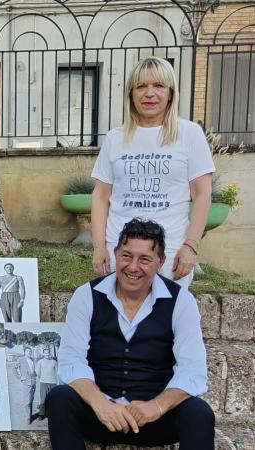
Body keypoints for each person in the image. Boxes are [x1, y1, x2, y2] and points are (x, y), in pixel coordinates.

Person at [47, 218, 213, 450]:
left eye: (144, 259)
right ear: (115, 253)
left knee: (199, 413)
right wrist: (100, 404)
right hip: (101, 416)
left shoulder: (181, 302)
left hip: (155, 419)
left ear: (160, 262)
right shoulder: (86, 296)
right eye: (126, 256)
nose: (133, 267)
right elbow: (71, 361)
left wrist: (156, 407)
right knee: (59, 399)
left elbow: (192, 371)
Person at [91, 56, 214, 290]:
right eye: (141, 86)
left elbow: (202, 194)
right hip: (120, 252)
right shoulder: (115, 138)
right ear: (130, 94)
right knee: (117, 322)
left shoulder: (190, 134)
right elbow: (100, 196)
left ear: (170, 93)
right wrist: (99, 247)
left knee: (163, 323)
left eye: (158, 85)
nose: (149, 93)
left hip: (169, 255)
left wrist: (191, 246)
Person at [32, 347, 58, 422]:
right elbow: (38, 373)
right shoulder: (40, 362)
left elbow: (57, 372)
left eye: (48, 353)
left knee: (52, 399)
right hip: (43, 382)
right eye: (45, 353)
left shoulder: (54, 362)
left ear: (50, 353)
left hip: (53, 383)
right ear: (43, 353)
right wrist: (44, 378)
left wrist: (57, 382)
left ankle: (52, 414)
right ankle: (41, 414)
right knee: (43, 399)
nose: (47, 354)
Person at [16, 346, 37, 422]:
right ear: (24, 352)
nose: (29, 353)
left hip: (33, 382)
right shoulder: (21, 360)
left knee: (31, 400)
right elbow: (14, 368)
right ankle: (28, 418)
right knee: (27, 401)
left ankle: (30, 416)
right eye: (28, 351)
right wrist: (20, 377)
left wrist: (36, 377)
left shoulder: (32, 360)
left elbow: (34, 371)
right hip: (26, 383)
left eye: (30, 351)